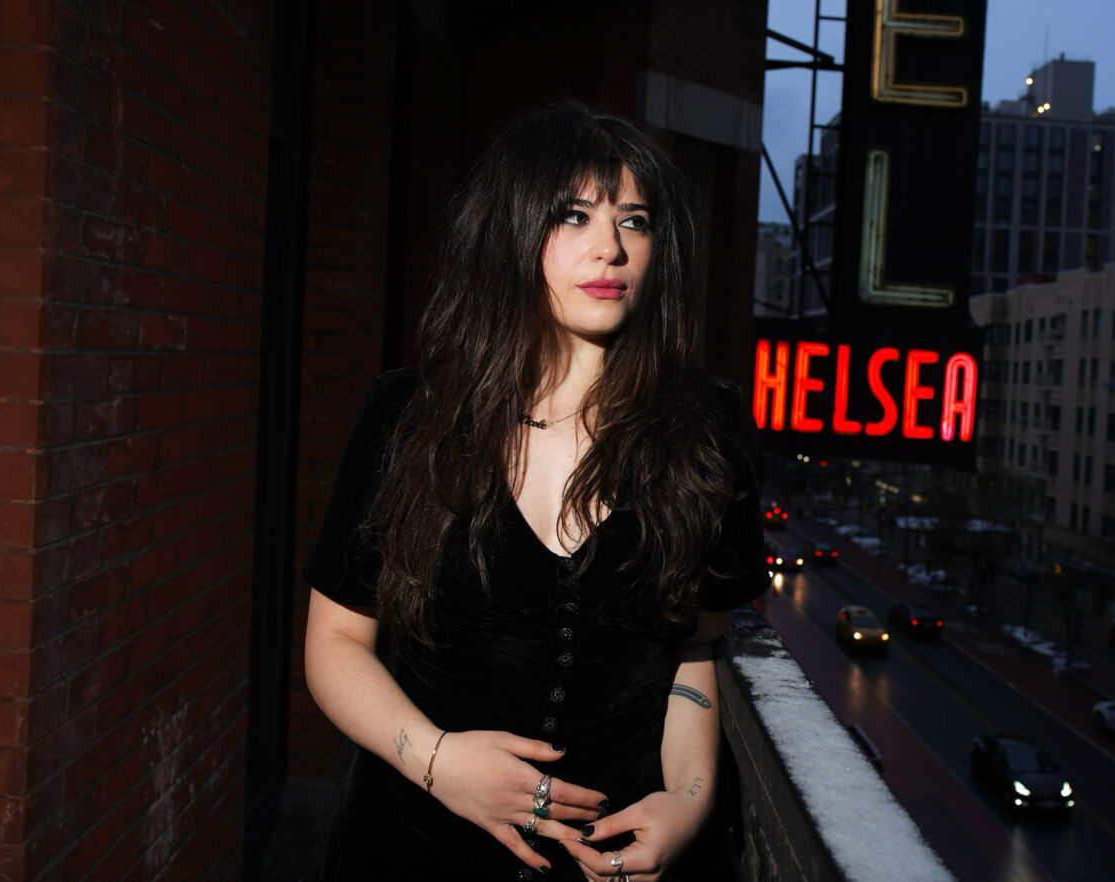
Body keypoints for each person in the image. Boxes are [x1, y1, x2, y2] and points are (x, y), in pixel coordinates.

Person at [301, 102, 768, 882]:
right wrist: (439, 762)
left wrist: (688, 800)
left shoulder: (705, 429)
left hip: (612, 862)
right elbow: (336, 645)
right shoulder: (409, 417)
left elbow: (693, 645)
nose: (610, 247)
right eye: (574, 215)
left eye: (636, 220)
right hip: (413, 848)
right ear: (512, 233)